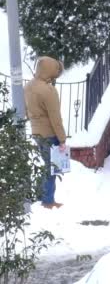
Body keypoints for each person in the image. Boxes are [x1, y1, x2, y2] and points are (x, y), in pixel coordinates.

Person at [24, 56, 67, 210]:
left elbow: (26, 111)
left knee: (45, 166)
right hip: (50, 134)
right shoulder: (48, 90)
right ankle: (48, 200)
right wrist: (62, 139)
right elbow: (55, 118)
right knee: (52, 168)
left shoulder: (28, 86)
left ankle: (44, 195)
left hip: (36, 132)